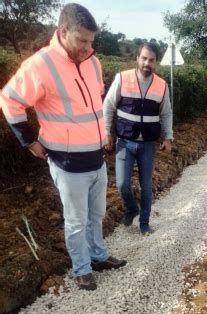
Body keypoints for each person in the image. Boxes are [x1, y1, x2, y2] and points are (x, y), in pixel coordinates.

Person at [1, 3, 126, 291]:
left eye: (91, 41)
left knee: (97, 215)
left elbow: (94, 104)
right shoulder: (40, 65)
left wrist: (104, 134)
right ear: (62, 31)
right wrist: (30, 141)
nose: (87, 47)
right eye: (81, 40)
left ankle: (98, 255)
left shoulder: (93, 62)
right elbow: (9, 100)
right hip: (67, 162)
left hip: (96, 157)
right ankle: (81, 269)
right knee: (76, 221)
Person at [103, 42, 173, 236]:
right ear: (137, 58)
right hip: (124, 142)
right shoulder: (122, 78)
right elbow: (108, 106)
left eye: (151, 60)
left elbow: (166, 113)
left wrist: (168, 137)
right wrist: (107, 132)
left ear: (156, 63)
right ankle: (132, 209)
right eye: (144, 58)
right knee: (122, 184)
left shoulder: (161, 85)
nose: (147, 63)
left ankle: (144, 223)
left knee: (146, 186)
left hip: (148, 145)